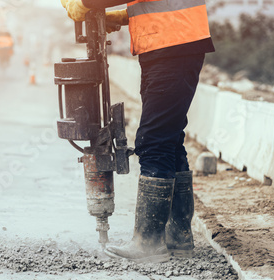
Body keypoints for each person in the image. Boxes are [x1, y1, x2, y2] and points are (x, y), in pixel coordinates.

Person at [61, 0, 215, 263]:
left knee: (153, 141)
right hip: (168, 44)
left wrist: (85, 3)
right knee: (169, 139)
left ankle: (149, 243)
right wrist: (125, 15)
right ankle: (178, 237)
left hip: (172, 45)